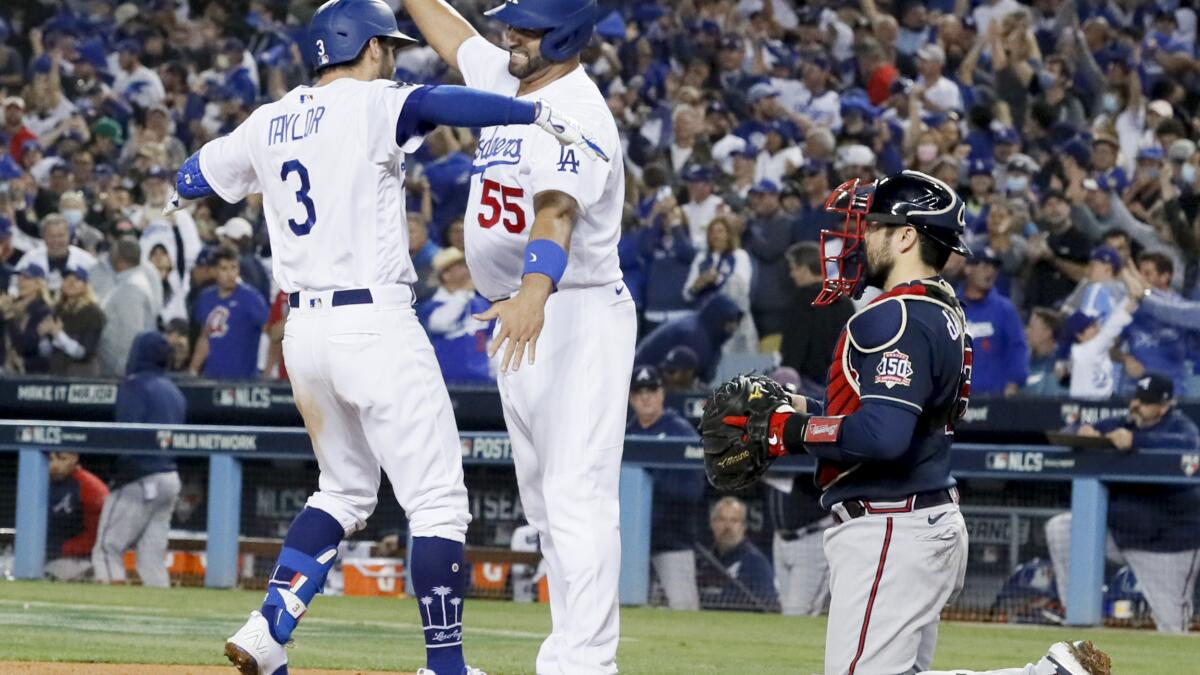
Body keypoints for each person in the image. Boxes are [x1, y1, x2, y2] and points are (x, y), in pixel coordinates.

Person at [171, 2, 603, 672]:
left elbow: (194, 174)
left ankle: (269, 625)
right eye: (388, 46)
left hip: (304, 334)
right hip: (371, 322)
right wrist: (533, 112)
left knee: (342, 491)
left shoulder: (268, 119)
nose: (394, 57)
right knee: (436, 502)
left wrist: (179, 189)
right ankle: (445, 664)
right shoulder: (371, 102)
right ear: (364, 47)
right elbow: (443, 104)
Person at [700, 170, 1109, 673]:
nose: (861, 237)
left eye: (873, 225)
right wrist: (806, 411)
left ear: (907, 235)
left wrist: (790, 430)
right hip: (916, 517)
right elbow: (892, 416)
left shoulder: (895, 315)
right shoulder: (941, 309)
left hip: (892, 521)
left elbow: (883, 435)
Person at [404, 1, 630, 672]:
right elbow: (457, 39)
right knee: (543, 500)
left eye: (526, 25)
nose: (511, 33)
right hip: (521, 311)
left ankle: (586, 661)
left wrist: (535, 290)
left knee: (576, 491)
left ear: (563, 32)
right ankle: (571, 646)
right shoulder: (508, 79)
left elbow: (556, 211)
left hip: (571, 307)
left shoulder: (579, 108)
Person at [1046, 373, 1200, 634]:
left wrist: (1136, 442)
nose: (1137, 405)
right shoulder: (1124, 422)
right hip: (1120, 535)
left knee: (1173, 628)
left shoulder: (1179, 427)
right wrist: (1083, 432)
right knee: (1062, 529)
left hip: (1167, 547)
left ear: (1164, 406)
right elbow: (1071, 430)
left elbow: (1190, 446)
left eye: (1146, 401)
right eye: (1136, 398)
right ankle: (1076, 613)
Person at [92, 332, 184, 588]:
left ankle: (110, 614)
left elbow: (127, 435)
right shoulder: (174, 391)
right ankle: (161, 618)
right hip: (170, 477)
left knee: (107, 549)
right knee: (152, 558)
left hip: (139, 477)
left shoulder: (134, 385)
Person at [626, 365, 703, 611]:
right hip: (630, 543)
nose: (646, 396)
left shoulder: (679, 431)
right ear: (630, 398)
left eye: (651, 389)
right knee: (628, 610)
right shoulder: (625, 435)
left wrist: (649, 482)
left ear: (662, 393)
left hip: (673, 542)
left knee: (684, 611)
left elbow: (694, 490)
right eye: (639, 392)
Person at [779, 242, 854, 394]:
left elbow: (796, 343)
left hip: (808, 384)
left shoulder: (802, 300)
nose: (791, 274)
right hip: (840, 382)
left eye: (793, 268)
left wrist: (786, 379)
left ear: (805, 269)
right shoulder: (844, 300)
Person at [188, 244, 269, 380]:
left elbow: (269, 332)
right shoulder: (206, 298)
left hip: (244, 382)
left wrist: (266, 370)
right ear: (215, 271)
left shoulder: (251, 298)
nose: (230, 274)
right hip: (212, 378)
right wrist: (193, 369)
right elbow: (205, 337)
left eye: (233, 268)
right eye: (224, 268)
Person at [958, 248, 1028, 397]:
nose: (990, 273)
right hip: (955, 400)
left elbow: (1018, 347)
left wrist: (1015, 381)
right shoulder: (953, 306)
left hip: (995, 398)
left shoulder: (1005, 309)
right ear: (968, 268)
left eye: (993, 267)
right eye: (984, 266)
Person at [418, 247, 493, 384]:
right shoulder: (432, 306)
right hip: (447, 382)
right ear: (446, 275)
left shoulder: (481, 304)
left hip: (483, 381)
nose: (467, 269)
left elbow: (492, 340)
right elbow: (440, 324)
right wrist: (463, 293)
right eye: (460, 266)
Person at [681, 215, 755, 352]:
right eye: (712, 232)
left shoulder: (739, 255)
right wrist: (698, 284)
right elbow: (686, 294)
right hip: (705, 319)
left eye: (720, 231)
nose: (716, 236)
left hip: (732, 320)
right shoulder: (701, 258)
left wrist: (718, 279)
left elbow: (742, 286)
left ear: (729, 234)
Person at [635, 293, 743, 386]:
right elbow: (680, 381)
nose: (733, 327)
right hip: (639, 381)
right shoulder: (695, 336)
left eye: (735, 322)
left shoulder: (703, 329)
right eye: (729, 322)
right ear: (718, 319)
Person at [696, 496, 778, 612]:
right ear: (712, 524)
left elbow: (769, 607)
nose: (727, 527)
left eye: (734, 520)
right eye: (722, 520)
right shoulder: (702, 563)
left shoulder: (755, 564)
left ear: (743, 527)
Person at [95, 239, 159, 377]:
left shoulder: (131, 287)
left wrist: (125, 368)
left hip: (122, 372)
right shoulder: (131, 281)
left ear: (117, 258)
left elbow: (132, 332)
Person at [45, 451, 108, 582]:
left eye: (62, 458)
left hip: (79, 559)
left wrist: (61, 549)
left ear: (75, 458)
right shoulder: (37, 482)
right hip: (42, 555)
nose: (55, 465)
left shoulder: (90, 487)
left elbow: (99, 535)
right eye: (50, 459)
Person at [12, 213, 97, 297]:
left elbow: (98, 290)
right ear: (43, 236)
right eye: (51, 236)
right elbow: (13, 286)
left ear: (69, 235)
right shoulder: (30, 257)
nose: (56, 240)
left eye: (61, 235)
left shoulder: (86, 260)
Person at [41, 266, 106, 376]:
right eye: (67, 279)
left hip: (81, 373)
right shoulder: (57, 309)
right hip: (56, 371)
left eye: (77, 280)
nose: (71, 283)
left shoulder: (93, 313)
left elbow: (83, 353)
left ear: (85, 285)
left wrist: (59, 335)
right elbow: (45, 352)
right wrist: (42, 336)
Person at [4, 264, 54, 374]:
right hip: (7, 367)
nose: (20, 282)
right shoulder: (11, 306)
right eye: (19, 278)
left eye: (26, 278)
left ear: (38, 284)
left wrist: (10, 317)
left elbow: (24, 346)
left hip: (32, 371)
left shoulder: (43, 311)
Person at [1022, 307, 1067, 396]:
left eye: (1031, 327)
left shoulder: (1064, 361)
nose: (1026, 332)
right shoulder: (1023, 361)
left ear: (1047, 333)